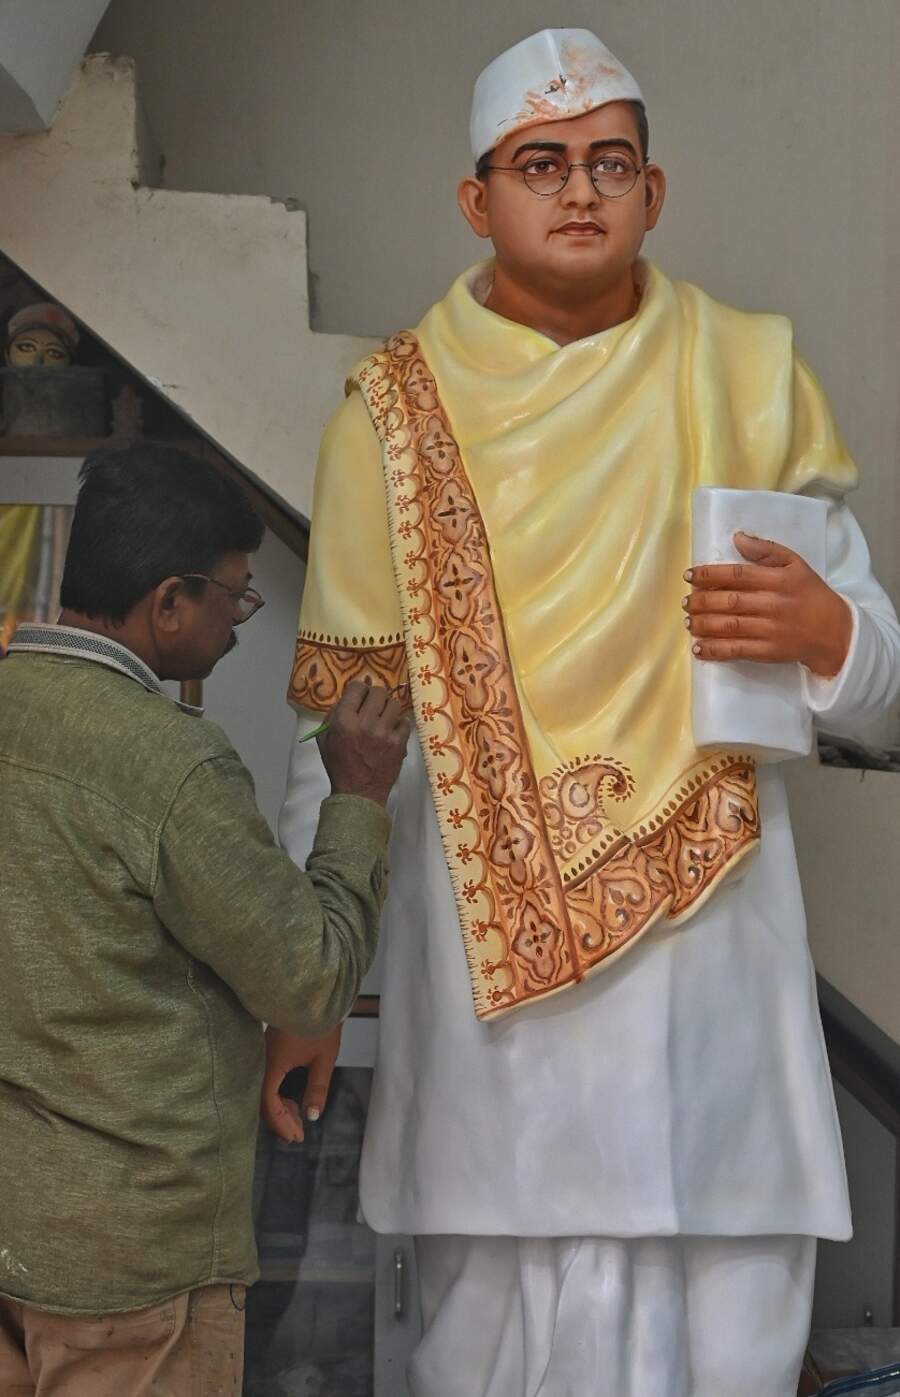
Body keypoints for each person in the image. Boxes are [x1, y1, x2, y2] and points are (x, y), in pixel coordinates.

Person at [269, 29, 900, 1397]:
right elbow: (344, 729)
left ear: (654, 194)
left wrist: (832, 634)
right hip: (488, 1006)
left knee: (726, 1334)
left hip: (710, 980)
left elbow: (883, 672)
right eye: (541, 163)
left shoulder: (747, 372)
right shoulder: (393, 414)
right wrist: (308, 983)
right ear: (476, 196)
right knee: (486, 1341)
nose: (579, 190)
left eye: (610, 162)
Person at [0, 443, 409, 1396]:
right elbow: (308, 975)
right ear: (168, 602)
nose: (236, 625)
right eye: (235, 598)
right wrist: (358, 798)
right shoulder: (169, 764)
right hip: (137, 1270)